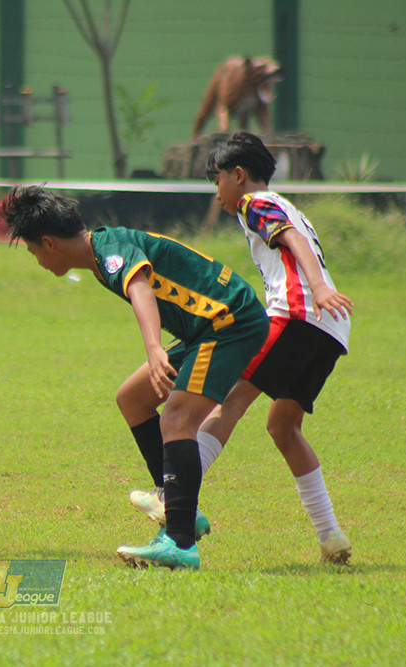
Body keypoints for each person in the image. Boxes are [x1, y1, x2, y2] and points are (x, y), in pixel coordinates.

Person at [1, 185, 270, 571]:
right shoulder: (102, 248)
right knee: (133, 398)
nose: (36, 260)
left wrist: (154, 348)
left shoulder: (107, 253)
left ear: (48, 243)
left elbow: (140, 286)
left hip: (229, 323)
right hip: (209, 325)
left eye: (32, 251)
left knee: (177, 418)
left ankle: (179, 543)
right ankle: (181, 509)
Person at [131, 131, 354, 564]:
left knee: (230, 401)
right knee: (283, 427)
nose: (217, 194)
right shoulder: (286, 203)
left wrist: (319, 286)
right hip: (329, 330)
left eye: (218, 181)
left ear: (239, 175)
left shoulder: (255, 203)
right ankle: (331, 536)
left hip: (293, 315)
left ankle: (169, 497)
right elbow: (296, 236)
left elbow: (291, 238)